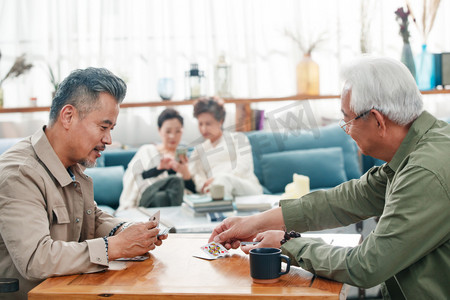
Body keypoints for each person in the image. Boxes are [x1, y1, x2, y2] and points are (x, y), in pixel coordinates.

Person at [209, 57, 450, 299]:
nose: (345, 128)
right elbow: (348, 199)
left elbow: (366, 265)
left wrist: (287, 244)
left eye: (348, 119)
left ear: (377, 120)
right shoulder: (418, 147)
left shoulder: (425, 172)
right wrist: (256, 222)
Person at [0, 68, 167, 300]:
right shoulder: (20, 174)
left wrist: (127, 231)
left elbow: (91, 217)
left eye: (111, 129)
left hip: (70, 290)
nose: (108, 139)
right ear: (68, 116)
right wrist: (115, 247)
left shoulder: (72, 164)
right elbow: (36, 259)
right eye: (103, 127)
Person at [117, 108, 195, 211]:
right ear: (159, 130)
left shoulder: (184, 159)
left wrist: (186, 174)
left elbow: (193, 193)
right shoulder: (148, 151)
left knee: (162, 197)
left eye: (177, 131)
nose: (173, 136)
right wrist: (159, 169)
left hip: (167, 200)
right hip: (147, 198)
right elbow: (135, 178)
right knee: (174, 181)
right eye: (168, 131)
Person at [190, 97, 262, 197]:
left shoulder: (239, 139)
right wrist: (205, 186)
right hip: (215, 190)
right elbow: (198, 179)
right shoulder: (197, 152)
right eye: (200, 124)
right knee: (216, 187)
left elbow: (244, 167)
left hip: (246, 187)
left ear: (220, 121)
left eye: (208, 123)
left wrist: (218, 178)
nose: (204, 129)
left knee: (223, 180)